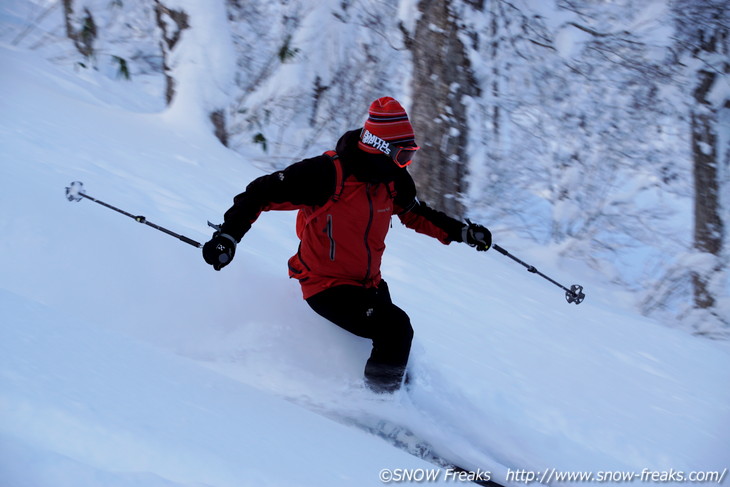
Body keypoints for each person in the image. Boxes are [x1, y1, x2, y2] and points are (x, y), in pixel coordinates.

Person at [203, 96, 491, 393]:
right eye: (404, 155)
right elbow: (259, 194)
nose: (407, 164)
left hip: (369, 285)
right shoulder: (325, 175)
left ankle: (406, 408)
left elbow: (415, 214)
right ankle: (379, 408)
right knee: (396, 329)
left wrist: (462, 232)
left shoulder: (393, 181)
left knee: (400, 344)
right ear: (380, 148)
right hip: (326, 286)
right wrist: (227, 237)